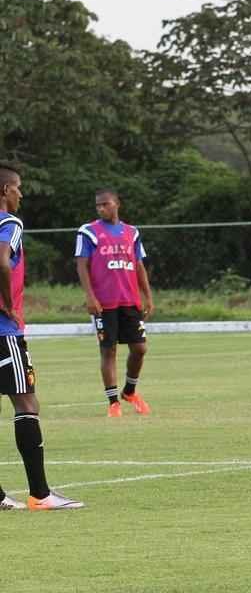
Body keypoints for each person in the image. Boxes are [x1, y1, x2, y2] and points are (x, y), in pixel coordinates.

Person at [0, 165, 84, 510]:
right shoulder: (9, 223)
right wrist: (8, 305)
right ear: (5, 190)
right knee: (27, 403)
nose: (22, 194)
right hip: (4, 332)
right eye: (18, 188)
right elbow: (3, 263)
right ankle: (41, 493)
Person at [75, 189, 155, 417]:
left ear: (117, 204)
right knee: (108, 350)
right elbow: (82, 265)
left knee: (140, 348)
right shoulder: (88, 232)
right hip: (104, 302)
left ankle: (129, 392)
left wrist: (147, 296)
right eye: (98, 205)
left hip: (129, 300)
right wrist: (90, 297)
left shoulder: (132, 232)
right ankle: (113, 402)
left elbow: (139, 265)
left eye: (105, 204)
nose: (101, 208)